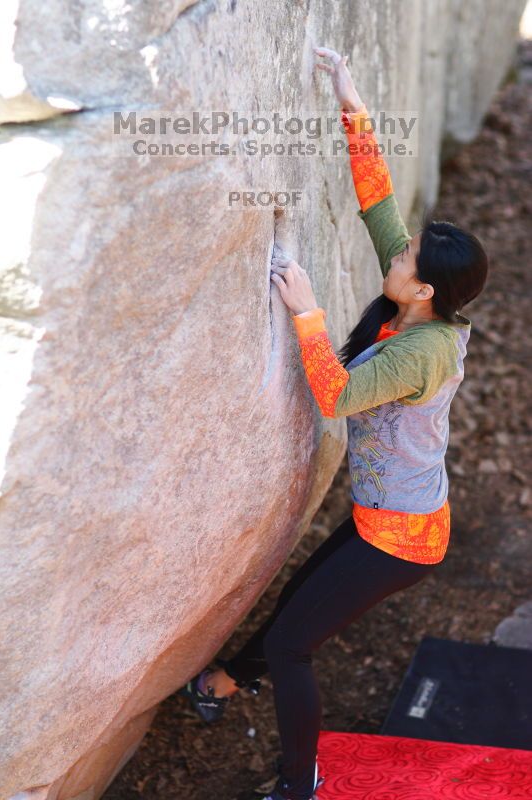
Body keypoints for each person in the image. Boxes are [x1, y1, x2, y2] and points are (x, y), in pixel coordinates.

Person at [179, 47, 489, 800]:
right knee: (299, 608)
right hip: (390, 515)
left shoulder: (420, 351)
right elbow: (377, 203)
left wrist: (307, 312)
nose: (399, 247)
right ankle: (221, 681)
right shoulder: (418, 301)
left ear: (421, 289)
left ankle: (297, 785)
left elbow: (334, 395)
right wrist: (352, 105)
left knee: (293, 646)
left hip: (402, 540)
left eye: (407, 254)